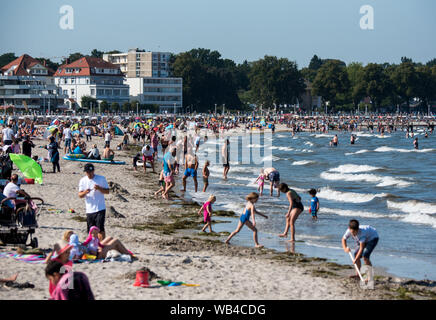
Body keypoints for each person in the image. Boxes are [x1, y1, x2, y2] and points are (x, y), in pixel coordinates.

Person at [78, 163, 109, 240]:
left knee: (100, 229)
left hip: (100, 208)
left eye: (91, 172)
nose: (89, 174)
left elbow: (107, 191)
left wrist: (99, 188)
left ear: (93, 171)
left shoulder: (101, 178)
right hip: (89, 209)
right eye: (88, 172)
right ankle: (93, 245)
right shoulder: (83, 180)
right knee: (91, 230)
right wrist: (85, 192)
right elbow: (80, 195)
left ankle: (102, 246)